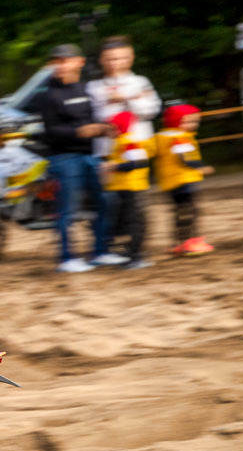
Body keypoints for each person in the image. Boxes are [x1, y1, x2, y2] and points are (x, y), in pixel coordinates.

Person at [33, 45, 112, 273]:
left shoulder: (86, 89)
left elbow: (97, 116)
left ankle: (101, 252)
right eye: (56, 61)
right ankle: (67, 258)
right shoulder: (48, 94)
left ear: (80, 62)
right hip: (64, 158)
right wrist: (78, 132)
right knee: (67, 210)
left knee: (104, 203)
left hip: (91, 156)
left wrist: (103, 128)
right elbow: (50, 131)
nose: (60, 65)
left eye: (65, 60)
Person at [154, 103, 214, 255]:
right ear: (176, 121)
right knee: (190, 211)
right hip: (184, 180)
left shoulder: (162, 137)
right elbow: (185, 157)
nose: (194, 125)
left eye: (196, 121)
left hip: (171, 182)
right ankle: (190, 242)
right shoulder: (179, 138)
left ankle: (180, 243)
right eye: (189, 121)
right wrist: (201, 167)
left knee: (180, 211)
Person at [87, 36, 161, 148]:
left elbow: (151, 110)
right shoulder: (94, 86)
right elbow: (98, 115)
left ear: (131, 58)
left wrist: (124, 99)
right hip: (109, 146)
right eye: (110, 59)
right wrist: (134, 97)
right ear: (101, 60)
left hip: (140, 141)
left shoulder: (141, 82)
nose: (115, 63)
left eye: (122, 58)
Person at [101, 111, 151, 269]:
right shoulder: (120, 142)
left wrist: (114, 166)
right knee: (128, 221)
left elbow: (138, 163)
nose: (109, 132)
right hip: (124, 188)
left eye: (112, 128)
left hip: (132, 188)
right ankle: (131, 253)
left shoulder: (129, 141)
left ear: (120, 128)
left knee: (134, 222)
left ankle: (135, 255)